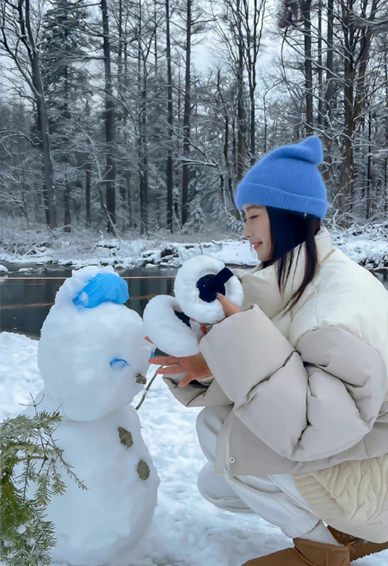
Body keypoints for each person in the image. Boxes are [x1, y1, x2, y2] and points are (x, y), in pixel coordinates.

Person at [150, 136, 388, 566]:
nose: (245, 231)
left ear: (291, 215)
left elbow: (314, 427)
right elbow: (282, 370)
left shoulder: (335, 309)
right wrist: (204, 359)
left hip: (376, 477)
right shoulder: (309, 279)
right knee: (216, 481)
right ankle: (340, 530)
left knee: (221, 429)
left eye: (253, 216)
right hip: (365, 456)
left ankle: (324, 551)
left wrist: (236, 341)